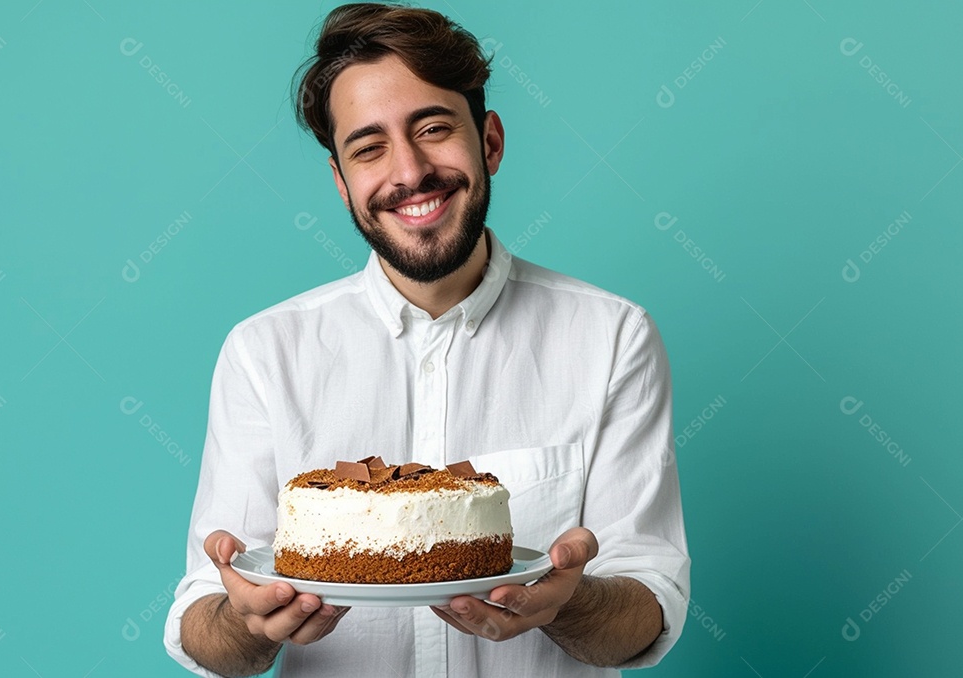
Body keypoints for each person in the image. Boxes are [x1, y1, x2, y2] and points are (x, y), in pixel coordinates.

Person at [164, 3, 690, 676]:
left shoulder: (614, 337)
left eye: (433, 127)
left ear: (490, 141)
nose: (409, 172)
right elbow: (203, 620)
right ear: (341, 181)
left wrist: (567, 603)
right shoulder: (265, 354)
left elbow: (650, 602)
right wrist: (246, 623)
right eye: (369, 147)